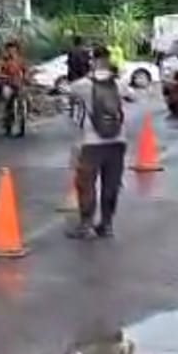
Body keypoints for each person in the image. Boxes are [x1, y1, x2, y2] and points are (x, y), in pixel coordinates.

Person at [64, 45, 135, 239]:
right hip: (117, 140)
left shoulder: (83, 85)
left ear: (93, 61)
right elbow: (132, 96)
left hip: (91, 142)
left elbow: (68, 91)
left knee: (85, 183)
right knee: (111, 184)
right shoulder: (119, 84)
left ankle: (85, 224)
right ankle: (107, 224)